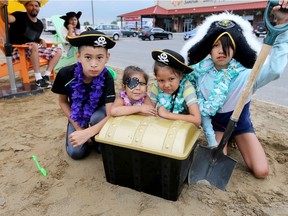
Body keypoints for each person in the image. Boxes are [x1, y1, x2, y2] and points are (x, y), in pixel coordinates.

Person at [180, 1, 288, 178]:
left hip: (240, 125)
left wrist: (282, 25)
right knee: (215, 166)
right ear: (209, 49)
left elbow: (275, 70)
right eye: (215, 45)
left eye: (226, 45)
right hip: (216, 125)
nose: (221, 51)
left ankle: (233, 138)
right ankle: (225, 140)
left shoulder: (247, 76)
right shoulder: (199, 73)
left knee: (261, 171)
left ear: (236, 47)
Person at [51, 30, 116, 160]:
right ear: (78, 56)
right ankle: (88, 137)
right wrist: (79, 130)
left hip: (99, 114)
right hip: (77, 115)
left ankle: (96, 138)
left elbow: (111, 113)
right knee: (76, 153)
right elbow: (63, 102)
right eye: (88, 57)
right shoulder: (65, 74)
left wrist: (90, 132)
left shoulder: (107, 77)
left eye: (99, 57)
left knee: (101, 142)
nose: (94, 64)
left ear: (107, 58)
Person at [0, 0, 62, 89]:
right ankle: (38, 79)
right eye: (31, 5)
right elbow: (6, 19)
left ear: (39, 8)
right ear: (26, 7)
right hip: (18, 51)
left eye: (36, 6)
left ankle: (46, 76)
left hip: (32, 50)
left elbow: (34, 38)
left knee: (58, 51)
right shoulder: (19, 16)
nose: (34, 8)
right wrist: (2, 7)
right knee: (33, 45)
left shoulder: (39, 24)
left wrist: (40, 40)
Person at [149, 49, 201, 127]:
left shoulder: (187, 88)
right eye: (161, 80)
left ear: (181, 76)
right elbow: (149, 109)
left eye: (171, 79)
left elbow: (197, 119)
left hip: (183, 129)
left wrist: (167, 115)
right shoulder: (156, 86)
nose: (166, 85)